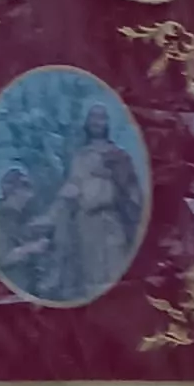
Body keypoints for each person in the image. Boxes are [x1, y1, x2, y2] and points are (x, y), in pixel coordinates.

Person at [47, 105, 145, 302]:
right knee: (90, 275)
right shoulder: (80, 156)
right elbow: (73, 185)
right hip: (86, 224)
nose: (97, 122)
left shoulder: (119, 156)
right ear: (87, 123)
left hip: (111, 220)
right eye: (93, 118)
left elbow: (132, 189)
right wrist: (53, 211)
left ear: (107, 123)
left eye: (101, 118)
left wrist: (112, 176)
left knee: (115, 273)